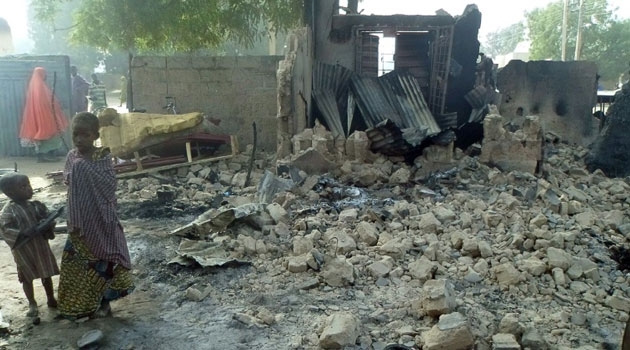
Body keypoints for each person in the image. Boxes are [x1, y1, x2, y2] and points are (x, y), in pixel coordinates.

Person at [57, 112, 133, 319]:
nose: (80, 140)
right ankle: (78, 305)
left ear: (96, 136)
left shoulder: (103, 158)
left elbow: (109, 186)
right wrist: (80, 170)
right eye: (76, 135)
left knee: (105, 261)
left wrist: (83, 170)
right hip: (79, 220)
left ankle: (105, 303)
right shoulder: (72, 156)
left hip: (101, 218)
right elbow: (68, 181)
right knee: (78, 264)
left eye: (85, 135)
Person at [0, 173, 59, 319]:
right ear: (10, 192)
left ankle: (51, 298)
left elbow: (46, 218)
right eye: (23, 186)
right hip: (23, 250)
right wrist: (23, 233)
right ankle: (32, 303)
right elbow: (5, 229)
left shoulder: (35, 205)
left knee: (46, 273)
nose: (29, 189)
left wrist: (48, 223)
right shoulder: (8, 211)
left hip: (40, 245)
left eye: (29, 185)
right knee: (27, 276)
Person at [19, 67, 69, 163]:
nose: (46, 76)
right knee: (49, 134)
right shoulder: (39, 87)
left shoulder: (36, 86)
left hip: (43, 116)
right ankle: (43, 156)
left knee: (48, 136)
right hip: (45, 116)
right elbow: (45, 102)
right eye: (44, 74)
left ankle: (46, 156)